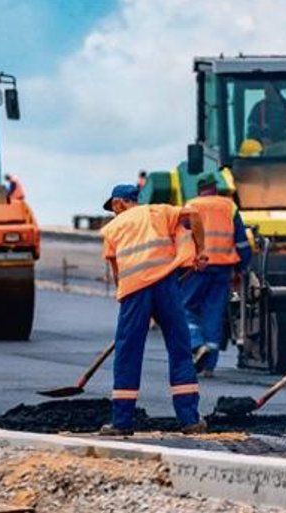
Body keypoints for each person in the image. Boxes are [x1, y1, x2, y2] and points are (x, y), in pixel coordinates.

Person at [99, 183, 209, 436]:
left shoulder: (112, 229)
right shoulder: (158, 211)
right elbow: (193, 214)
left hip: (135, 291)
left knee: (128, 352)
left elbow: (118, 275)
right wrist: (201, 251)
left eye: (113, 208)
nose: (113, 213)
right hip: (166, 284)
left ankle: (122, 422)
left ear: (119, 203)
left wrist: (129, 305)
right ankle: (190, 419)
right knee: (180, 348)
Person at [181, 173, 251, 377]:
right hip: (223, 268)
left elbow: (181, 235)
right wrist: (242, 267)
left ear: (199, 189)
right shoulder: (229, 206)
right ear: (215, 188)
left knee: (184, 307)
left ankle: (196, 344)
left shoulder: (191, 205)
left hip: (196, 267)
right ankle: (209, 366)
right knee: (214, 313)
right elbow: (242, 242)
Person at [245, 83, 286, 153]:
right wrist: (259, 140)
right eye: (266, 89)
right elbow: (252, 132)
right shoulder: (258, 108)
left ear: (278, 90)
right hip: (267, 158)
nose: (266, 92)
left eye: (270, 89)